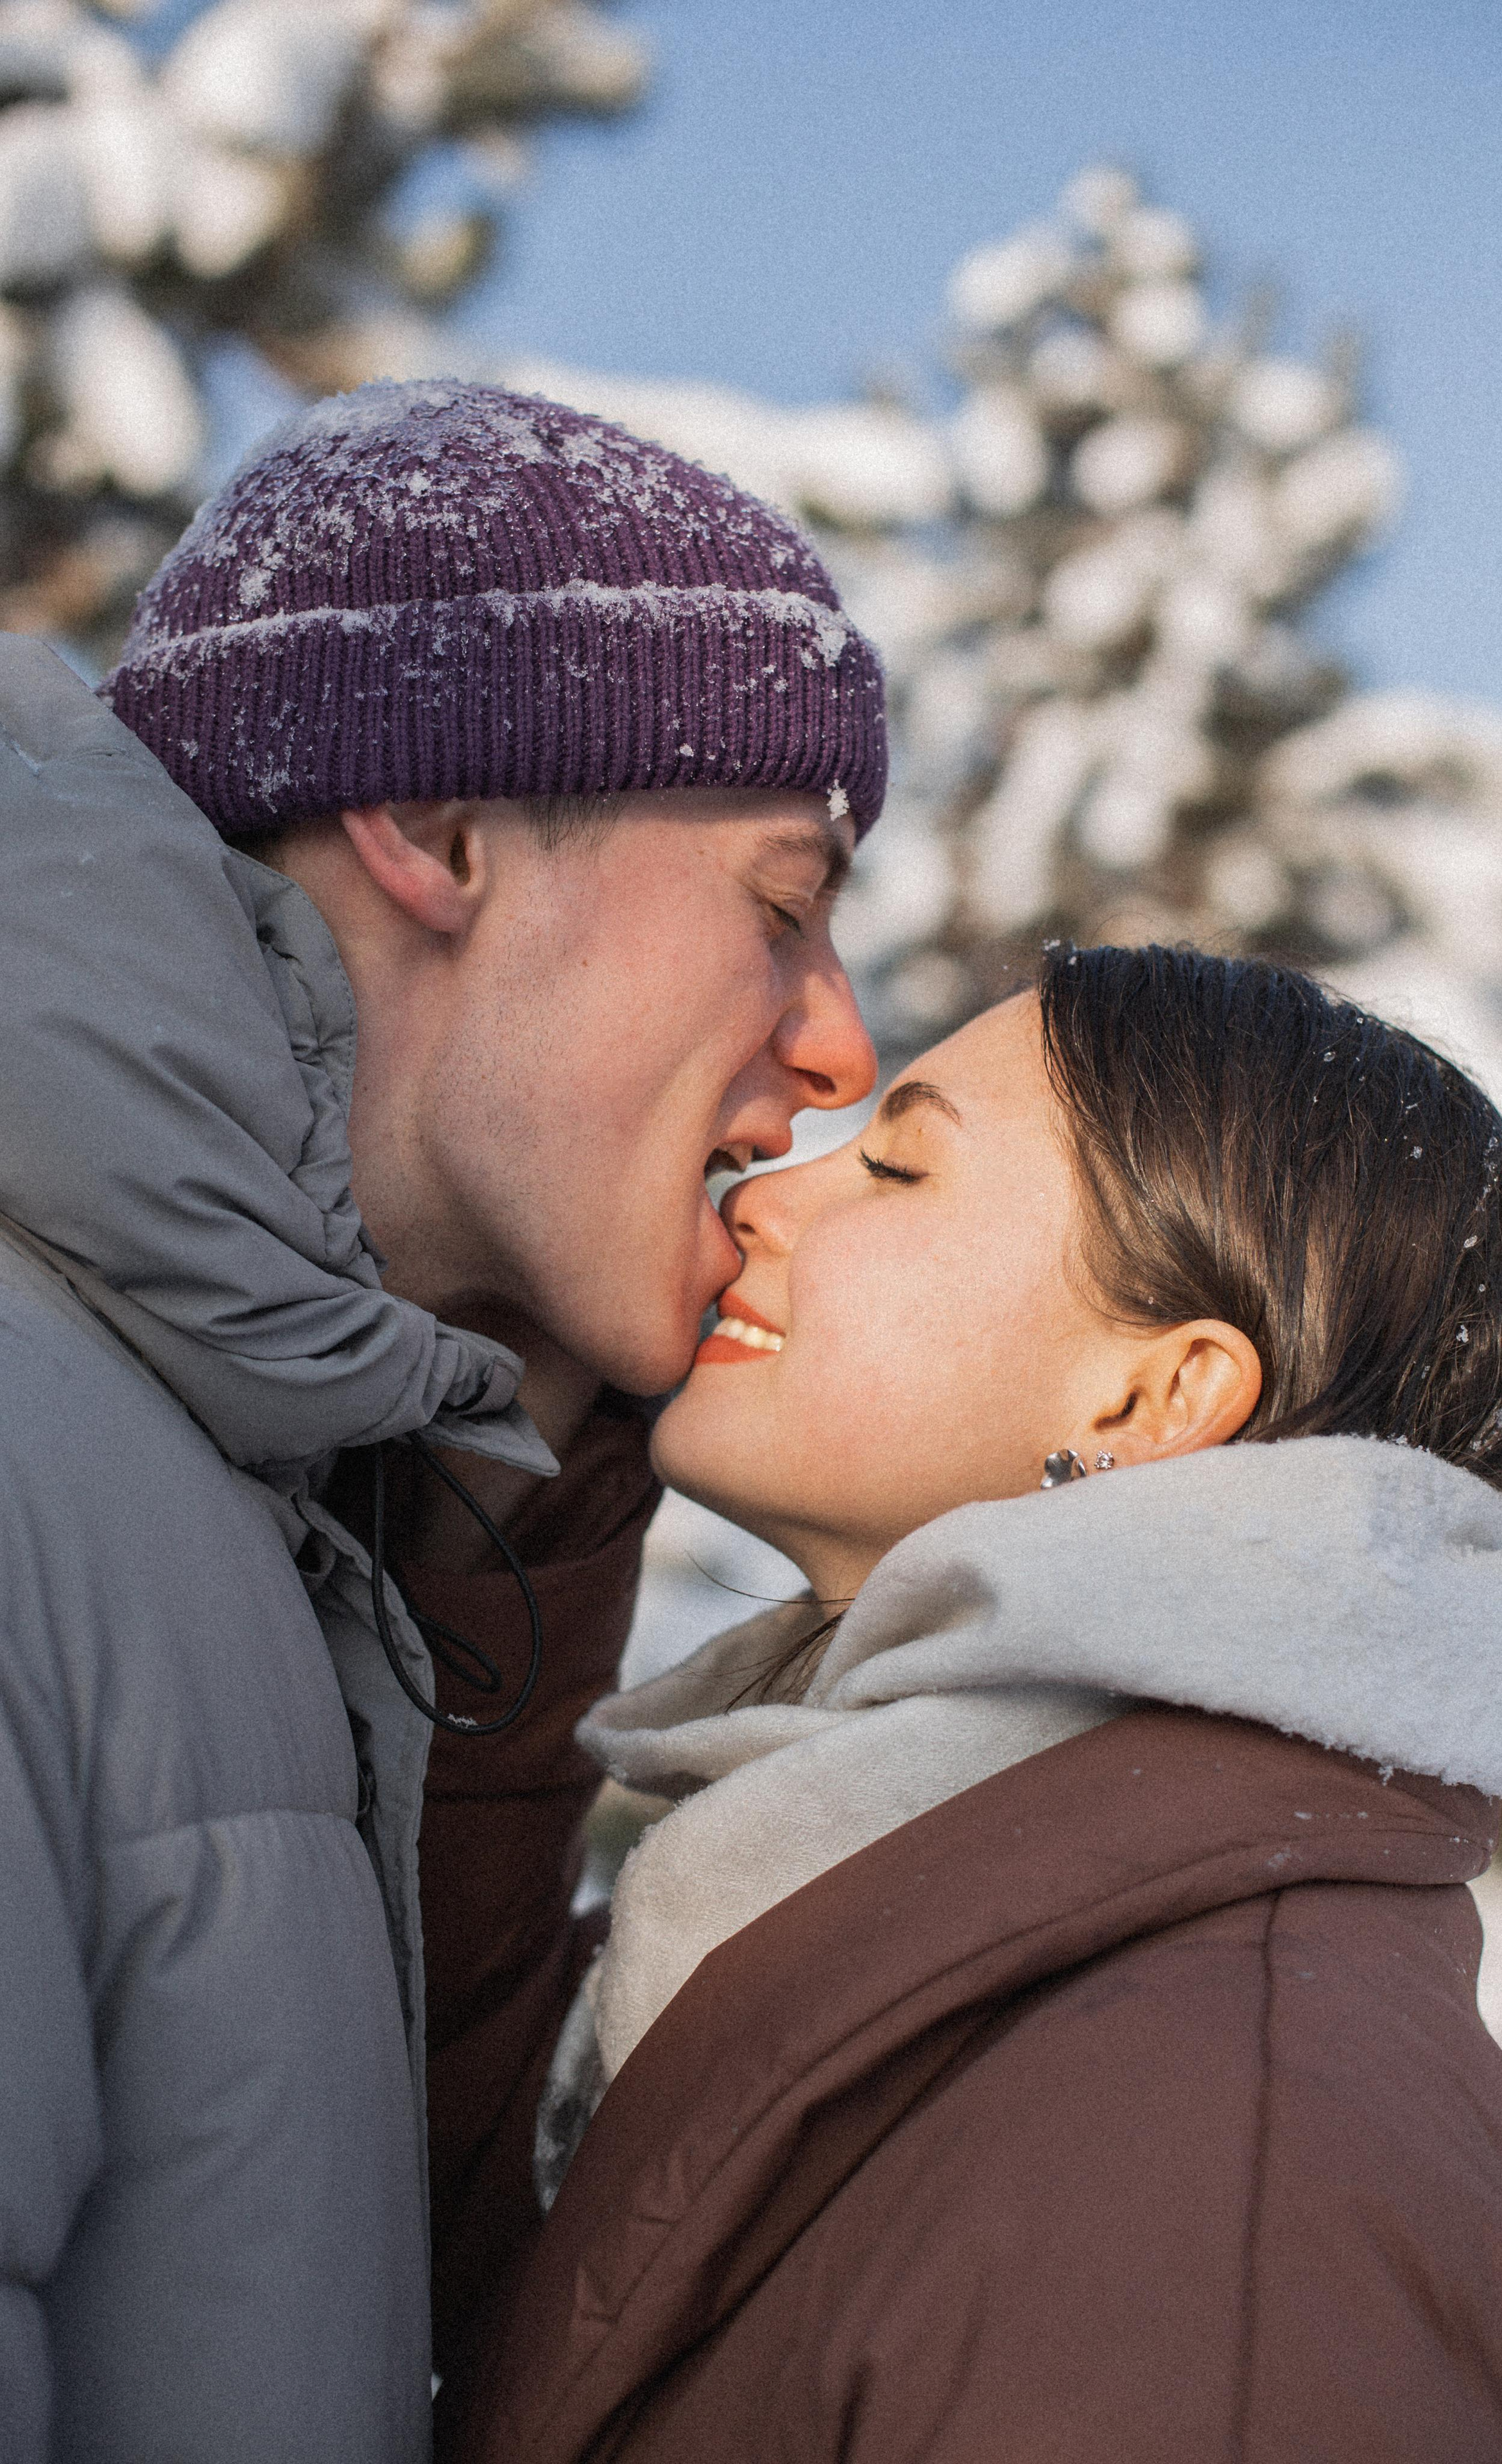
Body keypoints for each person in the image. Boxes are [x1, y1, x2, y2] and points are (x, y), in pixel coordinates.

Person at [0, 381, 881, 2463]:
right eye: (781, 906)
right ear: (444, 833)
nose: (839, 1045)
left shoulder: (268, 1501)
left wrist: (512, 1485)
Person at [456, 945, 1502, 2464]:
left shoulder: (1223, 2182)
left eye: (893, 1164)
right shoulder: (874, 1905)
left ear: (1149, 1401)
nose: (766, 1194)